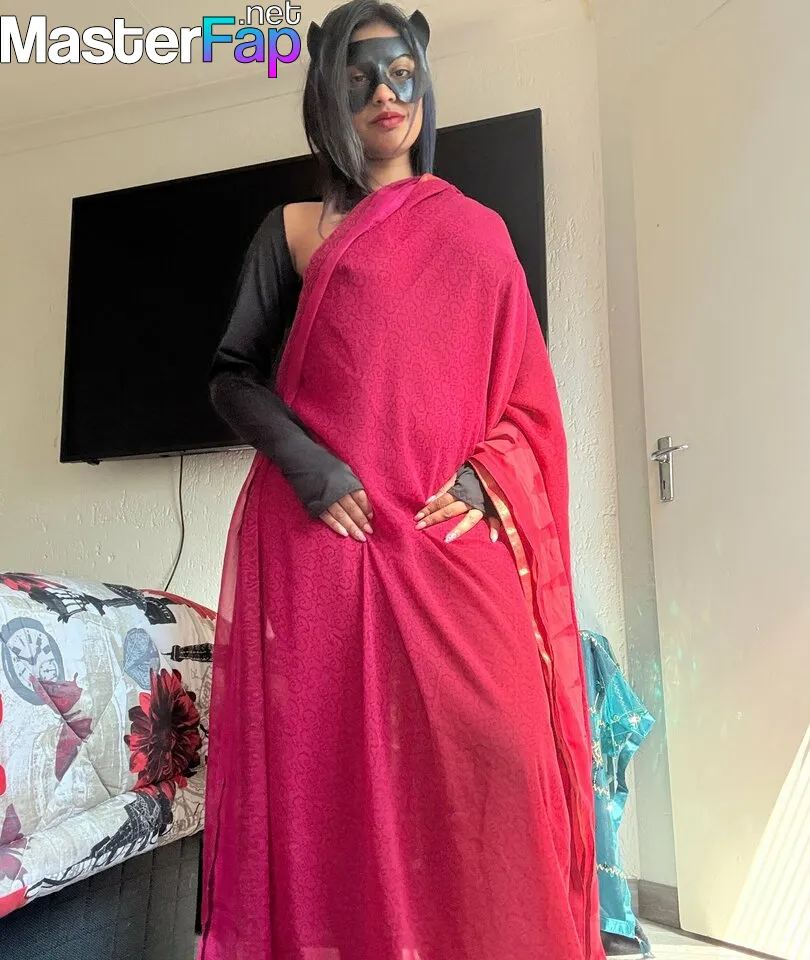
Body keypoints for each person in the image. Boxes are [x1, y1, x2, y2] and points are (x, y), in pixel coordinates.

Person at [198, 2, 605, 958]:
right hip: (326, 542)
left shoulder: (477, 232)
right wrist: (311, 467)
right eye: (359, 75)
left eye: (403, 72)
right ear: (326, 92)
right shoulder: (297, 229)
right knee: (332, 779)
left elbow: (527, 401)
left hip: (448, 543)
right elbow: (232, 377)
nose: (386, 92)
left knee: (500, 752)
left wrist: (484, 481)